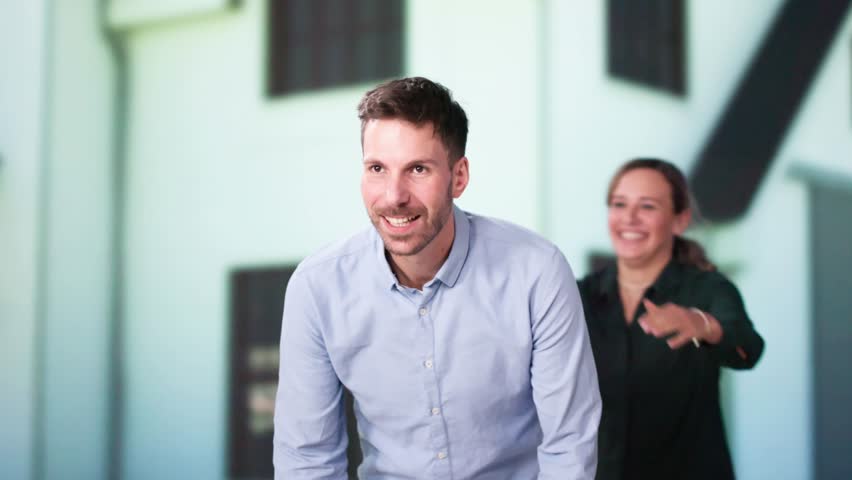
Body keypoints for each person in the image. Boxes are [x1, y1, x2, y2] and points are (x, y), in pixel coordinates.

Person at [273, 77, 601, 479]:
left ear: (458, 177)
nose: (394, 195)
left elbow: (569, 446)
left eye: (418, 169)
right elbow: (307, 460)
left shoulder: (537, 272)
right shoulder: (317, 287)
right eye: (377, 168)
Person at [577, 158, 765, 479]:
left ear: (679, 221)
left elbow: (747, 347)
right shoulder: (579, 295)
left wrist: (703, 325)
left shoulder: (706, 288)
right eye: (619, 204)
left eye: (647, 206)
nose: (629, 218)